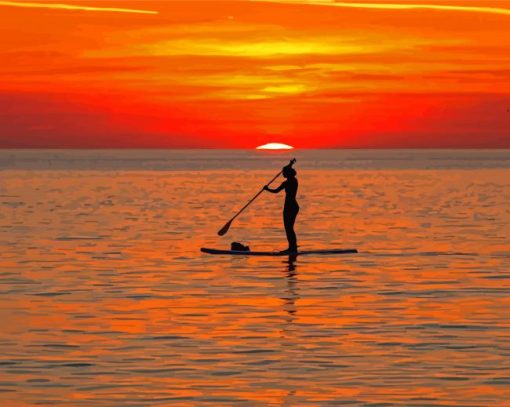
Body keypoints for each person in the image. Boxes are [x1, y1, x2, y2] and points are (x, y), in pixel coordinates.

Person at [264, 162, 299, 254]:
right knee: (289, 228)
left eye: (284, 172)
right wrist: (290, 164)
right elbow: (287, 168)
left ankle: (292, 248)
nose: (282, 174)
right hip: (293, 206)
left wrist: (267, 189)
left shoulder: (286, 183)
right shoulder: (295, 180)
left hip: (289, 207)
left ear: (287, 173)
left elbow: (275, 191)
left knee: (289, 228)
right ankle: (293, 247)